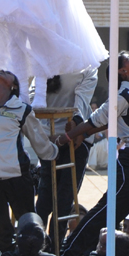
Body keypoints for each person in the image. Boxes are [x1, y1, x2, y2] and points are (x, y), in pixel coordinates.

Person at [58, 52, 129, 256]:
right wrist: (68, 137)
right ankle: (68, 254)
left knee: (114, 214)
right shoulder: (123, 94)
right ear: (123, 71)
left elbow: (110, 120)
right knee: (106, 211)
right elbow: (97, 119)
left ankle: (89, 255)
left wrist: (84, 133)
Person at [0, 70, 58, 252]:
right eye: (0, 72)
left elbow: (38, 140)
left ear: (14, 87)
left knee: (30, 227)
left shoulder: (21, 109)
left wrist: (54, 151)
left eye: (8, 74)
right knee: (1, 232)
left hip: (16, 177)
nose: (2, 72)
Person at [33, 67, 98, 237]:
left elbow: (82, 98)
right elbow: (35, 94)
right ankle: (37, 243)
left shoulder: (87, 65)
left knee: (65, 197)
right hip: (50, 136)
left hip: (76, 138)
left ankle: (57, 246)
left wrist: (75, 122)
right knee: (45, 196)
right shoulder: (45, 63)